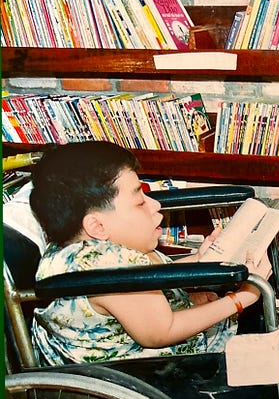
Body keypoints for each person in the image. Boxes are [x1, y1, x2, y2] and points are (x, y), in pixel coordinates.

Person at [28, 141, 266, 365]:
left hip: (108, 357)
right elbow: (161, 333)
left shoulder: (70, 250)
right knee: (254, 317)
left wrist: (199, 261)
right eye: (140, 202)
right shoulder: (111, 263)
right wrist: (242, 298)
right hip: (148, 372)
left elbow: (143, 284)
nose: (155, 205)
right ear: (97, 226)